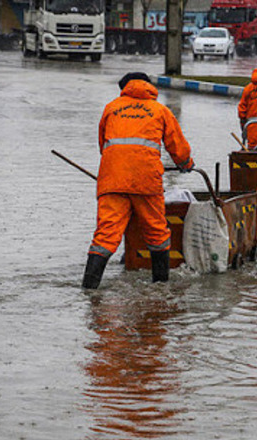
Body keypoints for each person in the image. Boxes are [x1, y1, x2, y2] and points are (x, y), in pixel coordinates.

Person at [82, 72, 195, 289]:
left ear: (124, 88)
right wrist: (186, 164)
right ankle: (160, 286)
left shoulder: (111, 108)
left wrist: (116, 169)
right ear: (148, 86)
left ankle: (89, 289)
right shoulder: (159, 110)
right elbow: (178, 148)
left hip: (113, 180)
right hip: (146, 181)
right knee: (156, 231)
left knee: (106, 234)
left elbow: (103, 146)